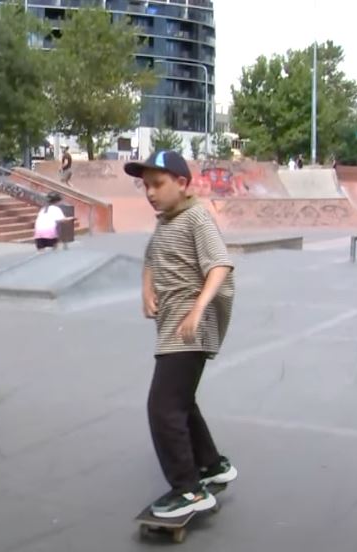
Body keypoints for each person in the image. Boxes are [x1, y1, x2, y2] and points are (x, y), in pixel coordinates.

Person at [124, 150, 238, 519]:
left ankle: (188, 490)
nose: (151, 193)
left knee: (162, 408)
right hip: (173, 323)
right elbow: (151, 256)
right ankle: (212, 465)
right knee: (182, 401)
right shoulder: (166, 221)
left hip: (189, 329)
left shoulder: (196, 218)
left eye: (158, 184)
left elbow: (220, 265)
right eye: (146, 186)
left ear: (182, 183)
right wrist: (146, 288)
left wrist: (198, 308)